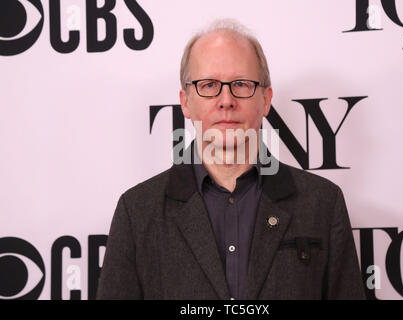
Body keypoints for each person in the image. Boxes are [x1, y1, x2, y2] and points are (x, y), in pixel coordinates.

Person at [96, 19, 366, 300]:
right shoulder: (137, 212)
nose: (226, 100)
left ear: (265, 99)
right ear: (185, 102)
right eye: (209, 84)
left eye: (240, 84)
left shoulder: (322, 203)